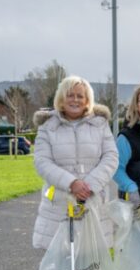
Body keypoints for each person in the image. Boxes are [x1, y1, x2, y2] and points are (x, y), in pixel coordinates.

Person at [32, 75, 119, 250]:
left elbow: (111, 157)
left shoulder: (100, 124)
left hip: (93, 202)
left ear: (88, 101)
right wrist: (72, 184)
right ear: (61, 99)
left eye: (80, 96)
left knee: (92, 266)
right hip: (59, 204)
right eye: (70, 95)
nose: (75, 100)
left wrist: (89, 186)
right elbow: (42, 162)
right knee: (61, 267)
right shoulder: (47, 126)